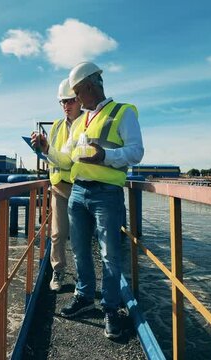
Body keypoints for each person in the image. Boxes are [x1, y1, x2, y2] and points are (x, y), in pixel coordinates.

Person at [45, 62, 144, 339]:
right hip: (78, 192)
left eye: (77, 94)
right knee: (79, 249)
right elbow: (66, 158)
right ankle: (85, 296)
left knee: (110, 255)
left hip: (106, 194)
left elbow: (136, 152)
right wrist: (46, 150)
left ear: (90, 87)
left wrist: (105, 157)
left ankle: (111, 309)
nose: (75, 100)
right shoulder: (81, 122)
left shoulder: (123, 113)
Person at [30, 78, 83, 291]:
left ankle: (83, 276)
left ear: (80, 100)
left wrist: (48, 152)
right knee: (57, 233)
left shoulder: (87, 122)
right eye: (62, 102)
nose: (66, 106)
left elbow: (70, 158)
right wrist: (41, 149)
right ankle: (58, 271)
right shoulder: (57, 126)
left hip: (80, 188)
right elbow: (51, 157)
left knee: (80, 235)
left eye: (70, 101)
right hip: (59, 187)